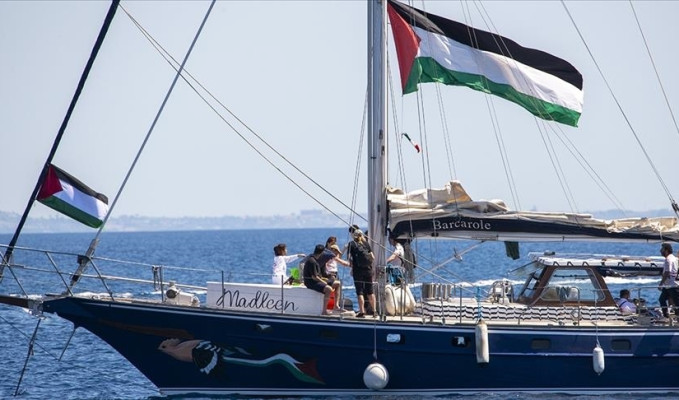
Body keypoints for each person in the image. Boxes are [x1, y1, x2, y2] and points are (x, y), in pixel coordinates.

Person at [303, 244, 342, 315]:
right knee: (328, 289)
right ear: (322, 252)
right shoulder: (312, 261)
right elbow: (314, 277)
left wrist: (330, 276)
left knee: (338, 284)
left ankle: (336, 306)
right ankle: (324, 311)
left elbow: (322, 273)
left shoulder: (318, 260)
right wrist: (324, 282)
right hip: (311, 282)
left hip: (317, 280)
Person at [347, 229, 376, 318]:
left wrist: (352, 265)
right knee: (370, 291)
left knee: (360, 292)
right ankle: (374, 311)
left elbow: (349, 258)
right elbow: (373, 257)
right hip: (368, 270)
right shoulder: (366, 244)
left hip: (358, 271)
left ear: (354, 236)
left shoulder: (351, 244)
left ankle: (362, 312)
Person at [658, 243, 679, 319]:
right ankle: (666, 315)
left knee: (676, 302)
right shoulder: (674, 258)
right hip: (669, 285)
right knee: (662, 299)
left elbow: (667, 272)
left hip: (672, 285)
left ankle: (675, 316)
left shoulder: (668, 259)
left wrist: (661, 284)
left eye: (662, 249)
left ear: (666, 250)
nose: (660, 251)